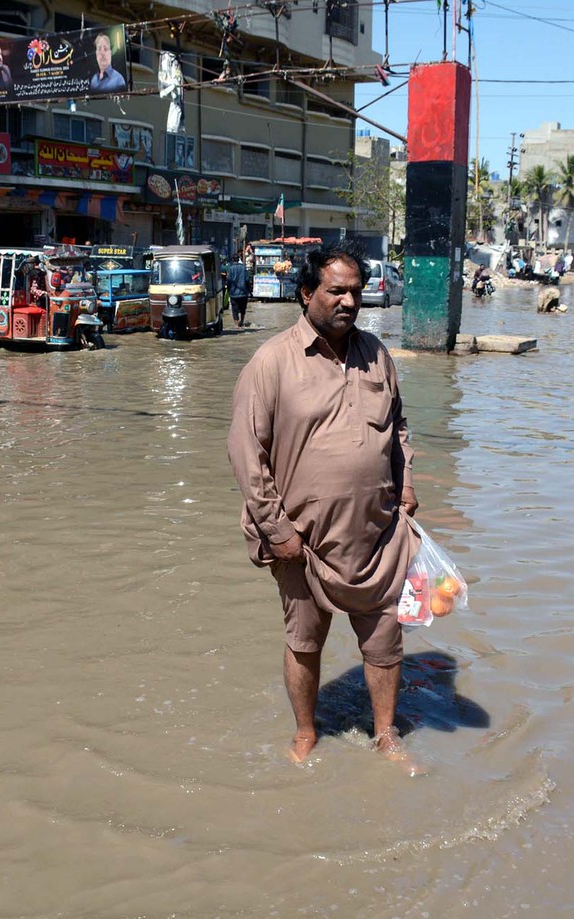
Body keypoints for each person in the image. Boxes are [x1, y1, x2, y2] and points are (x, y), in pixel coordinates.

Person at [227, 239, 420, 769]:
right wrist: (278, 530)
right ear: (306, 293)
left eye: (356, 291)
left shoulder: (377, 354)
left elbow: (398, 427)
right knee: (304, 640)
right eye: (336, 291)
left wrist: (405, 484)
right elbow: (246, 454)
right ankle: (306, 733)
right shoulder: (272, 362)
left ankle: (386, 736)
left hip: (377, 535)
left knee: (385, 641)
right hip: (302, 542)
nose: (349, 302)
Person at [226, 255, 250, 327]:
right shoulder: (243, 268)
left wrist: (228, 289)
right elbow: (247, 280)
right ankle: (241, 321)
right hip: (243, 292)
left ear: (232, 260)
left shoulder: (230, 269)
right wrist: (248, 290)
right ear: (238, 259)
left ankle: (236, 324)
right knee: (243, 308)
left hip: (233, 293)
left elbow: (228, 281)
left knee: (234, 309)